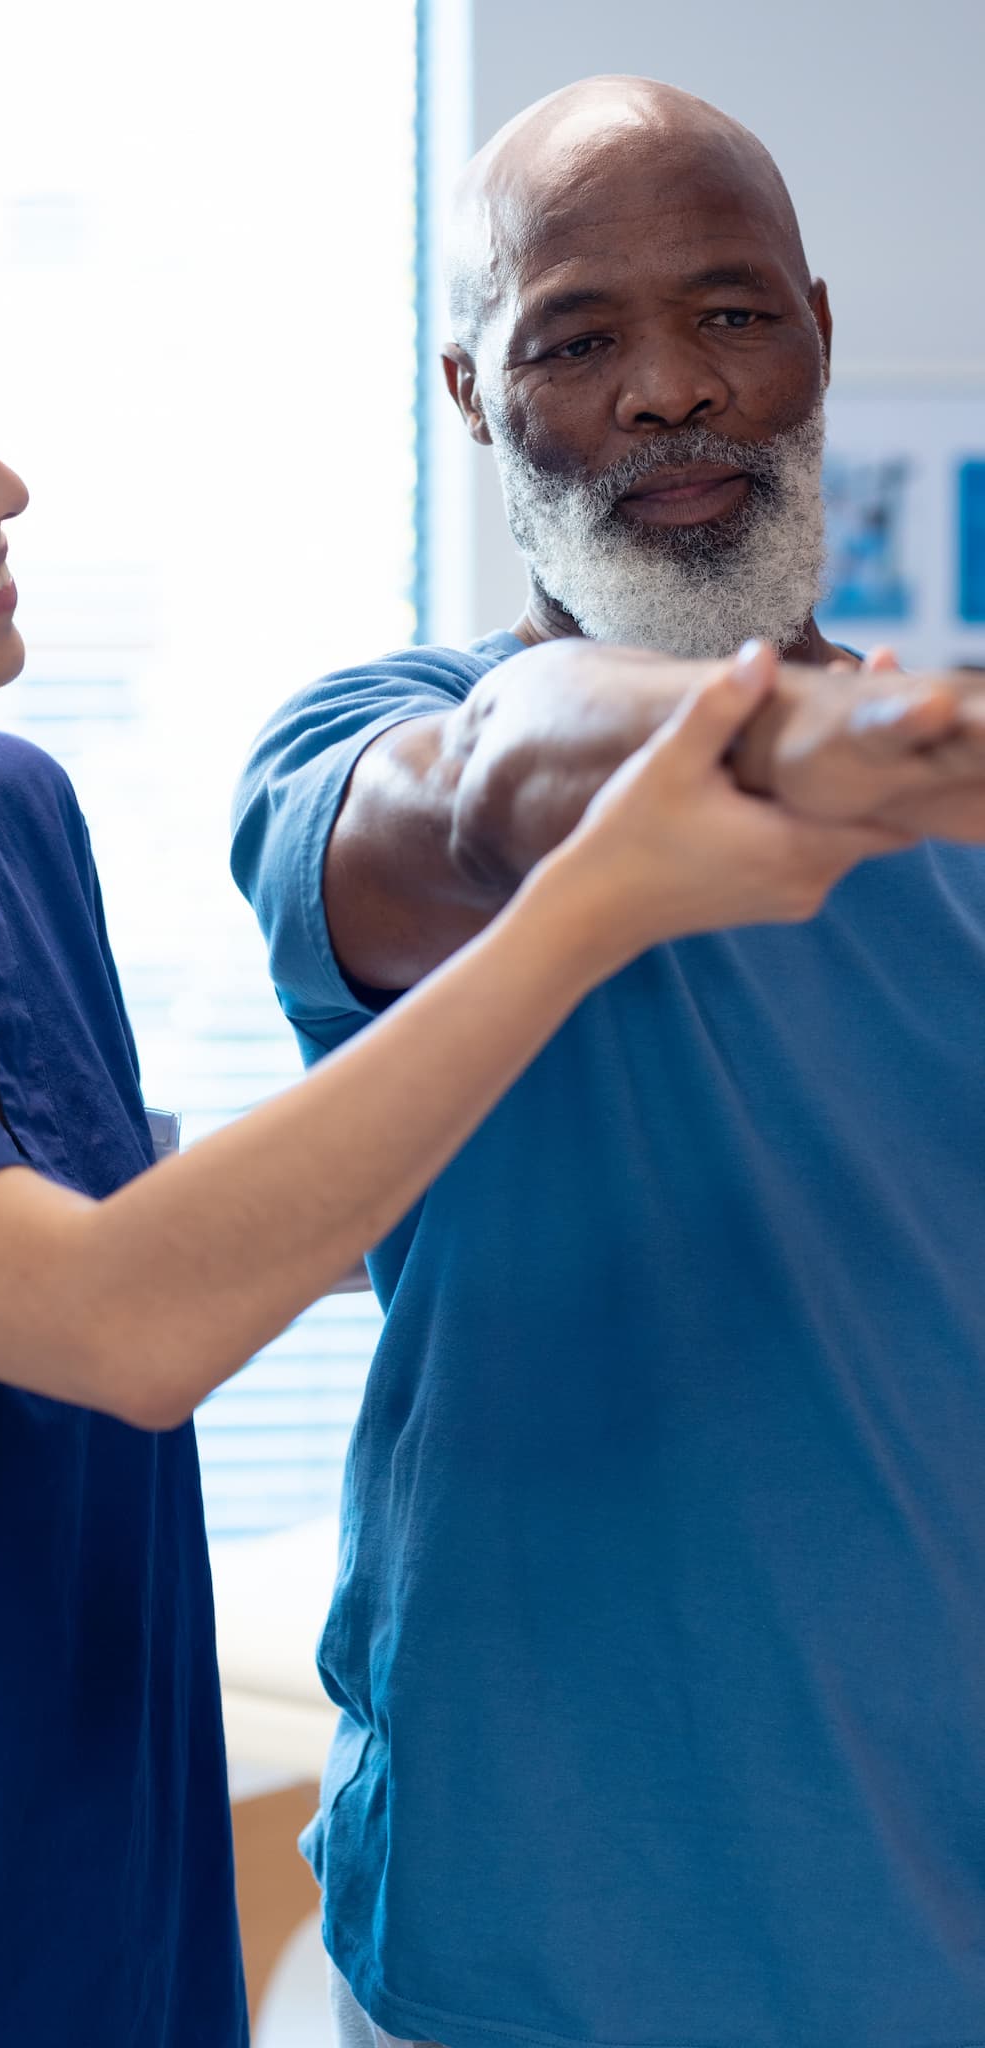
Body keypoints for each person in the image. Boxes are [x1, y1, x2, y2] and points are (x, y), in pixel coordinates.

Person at [0, 194, 921, 2048]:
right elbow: (116, 1322)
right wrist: (593, 904)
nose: (5, 486)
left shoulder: (2, 813)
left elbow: (143, 1220)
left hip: (120, 1911)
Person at [231, 74, 985, 2048]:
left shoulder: (955, 805)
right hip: (513, 1966)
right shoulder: (372, 748)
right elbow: (499, 777)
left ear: (813, 332)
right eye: (574, 336)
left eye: (728, 312)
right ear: (473, 392)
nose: (668, 387)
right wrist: (789, 742)